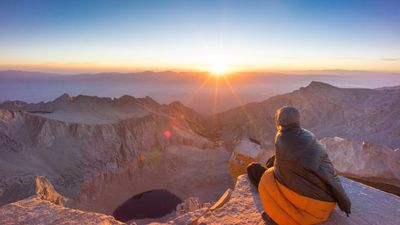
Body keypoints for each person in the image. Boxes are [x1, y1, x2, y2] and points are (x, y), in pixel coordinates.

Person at [247, 106, 351, 225]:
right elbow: (329, 174)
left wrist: (345, 204)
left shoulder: (280, 138)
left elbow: (283, 170)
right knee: (272, 164)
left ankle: (276, 215)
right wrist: (344, 203)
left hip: (312, 210)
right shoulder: (308, 135)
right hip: (326, 204)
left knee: (264, 176)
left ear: (279, 121)